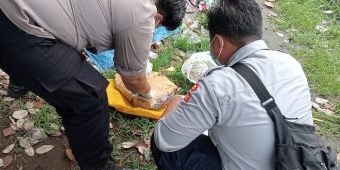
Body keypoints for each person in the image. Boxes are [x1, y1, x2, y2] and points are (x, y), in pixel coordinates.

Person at [0, 0, 186, 169]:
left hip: (17, 10)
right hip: (17, 24)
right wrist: (149, 93)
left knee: (64, 61)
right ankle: (98, 166)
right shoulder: (143, 13)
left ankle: (20, 82)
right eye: (158, 27)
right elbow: (133, 79)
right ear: (158, 18)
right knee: (88, 97)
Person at [151, 0, 313, 169]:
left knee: (164, 146)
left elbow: (164, 140)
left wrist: (177, 101)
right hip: (298, 161)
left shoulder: (217, 84)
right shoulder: (291, 63)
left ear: (218, 42)